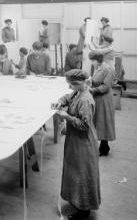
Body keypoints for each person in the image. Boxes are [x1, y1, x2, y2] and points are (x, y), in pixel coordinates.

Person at [52, 69, 100, 219]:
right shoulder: (78, 92)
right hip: (75, 141)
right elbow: (68, 97)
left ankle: (84, 210)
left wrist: (67, 117)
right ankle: (77, 201)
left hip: (83, 144)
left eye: (71, 85)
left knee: (82, 175)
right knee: (75, 172)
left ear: (78, 83)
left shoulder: (86, 100)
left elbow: (84, 126)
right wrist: (60, 101)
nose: (69, 88)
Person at [88, 51, 116, 156]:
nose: (92, 63)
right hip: (98, 98)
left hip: (104, 98)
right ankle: (100, 146)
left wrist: (91, 90)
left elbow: (105, 86)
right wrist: (90, 81)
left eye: (93, 61)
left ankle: (104, 148)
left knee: (104, 122)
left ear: (98, 60)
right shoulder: (99, 68)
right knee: (99, 121)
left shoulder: (108, 69)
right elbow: (96, 80)